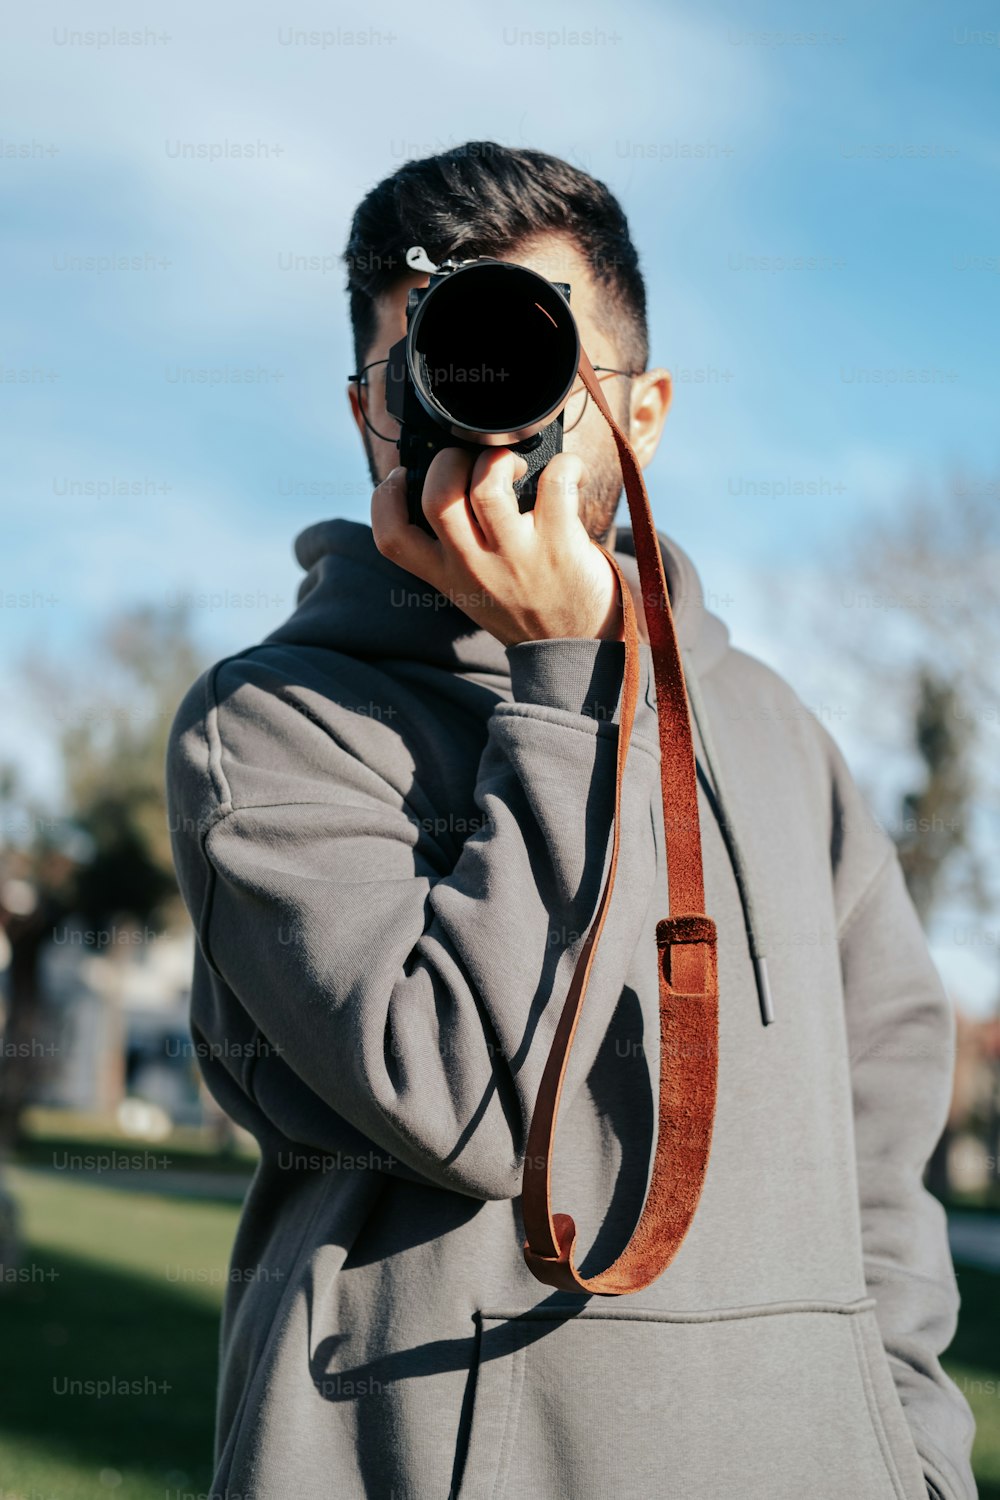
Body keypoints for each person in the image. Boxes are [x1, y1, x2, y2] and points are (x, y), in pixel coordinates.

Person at [165, 143, 976, 1500]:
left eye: (526, 349)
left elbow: (886, 1150)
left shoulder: (780, 734)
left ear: (642, 412)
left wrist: (912, 1454)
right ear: (368, 413)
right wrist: (567, 686)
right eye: (424, 363)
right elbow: (473, 1107)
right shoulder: (270, 728)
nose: (481, 406)